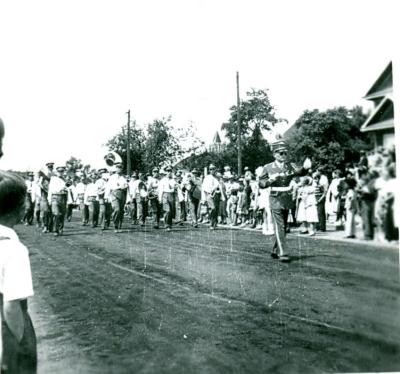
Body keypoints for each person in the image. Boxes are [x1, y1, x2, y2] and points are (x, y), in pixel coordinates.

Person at [0, 170, 37, 373]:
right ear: (20, 208)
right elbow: (11, 307)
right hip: (7, 332)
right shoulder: (14, 249)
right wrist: (22, 343)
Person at [259, 138, 311, 262]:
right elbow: (261, 183)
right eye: (280, 153)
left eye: (285, 153)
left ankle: (274, 249)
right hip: (275, 198)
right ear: (274, 154)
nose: (283, 155)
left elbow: (300, 173)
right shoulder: (268, 167)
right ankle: (283, 252)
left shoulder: (290, 166)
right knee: (279, 226)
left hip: (287, 198)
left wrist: (305, 168)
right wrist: (270, 180)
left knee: (284, 226)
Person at [107, 163, 128, 233]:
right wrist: (106, 196)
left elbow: (126, 185)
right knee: (117, 209)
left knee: (121, 211)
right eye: (118, 168)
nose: (119, 169)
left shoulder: (123, 177)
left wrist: (125, 186)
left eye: (120, 168)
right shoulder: (112, 177)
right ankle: (115, 225)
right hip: (114, 194)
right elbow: (108, 187)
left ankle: (119, 226)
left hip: (122, 194)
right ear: (115, 169)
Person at [48, 165, 68, 236]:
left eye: (62, 171)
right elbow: (50, 189)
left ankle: (60, 229)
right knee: (56, 214)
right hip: (55, 197)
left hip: (63, 197)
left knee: (62, 215)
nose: (61, 172)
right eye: (59, 171)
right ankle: (55, 230)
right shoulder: (53, 179)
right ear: (57, 171)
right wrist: (49, 200)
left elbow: (68, 189)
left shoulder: (65, 179)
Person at [201, 164, 221, 230]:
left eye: (213, 169)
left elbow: (219, 186)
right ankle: (211, 223)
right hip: (209, 194)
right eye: (210, 169)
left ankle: (214, 223)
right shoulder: (207, 177)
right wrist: (203, 198)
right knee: (213, 208)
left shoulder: (217, 177)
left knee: (216, 209)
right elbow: (203, 188)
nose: (212, 170)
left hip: (217, 195)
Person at [158, 166, 176, 231]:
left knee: (171, 211)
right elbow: (160, 190)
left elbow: (175, 188)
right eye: (168, 171)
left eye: (170, 171)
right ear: (166, 172)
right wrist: (160, 199)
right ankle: (166, 225)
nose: (169, 172)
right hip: (165, 195)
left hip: (172, 195)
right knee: (167, 210)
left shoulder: (173, 180)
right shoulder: (162, 181)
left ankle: (169, 224)